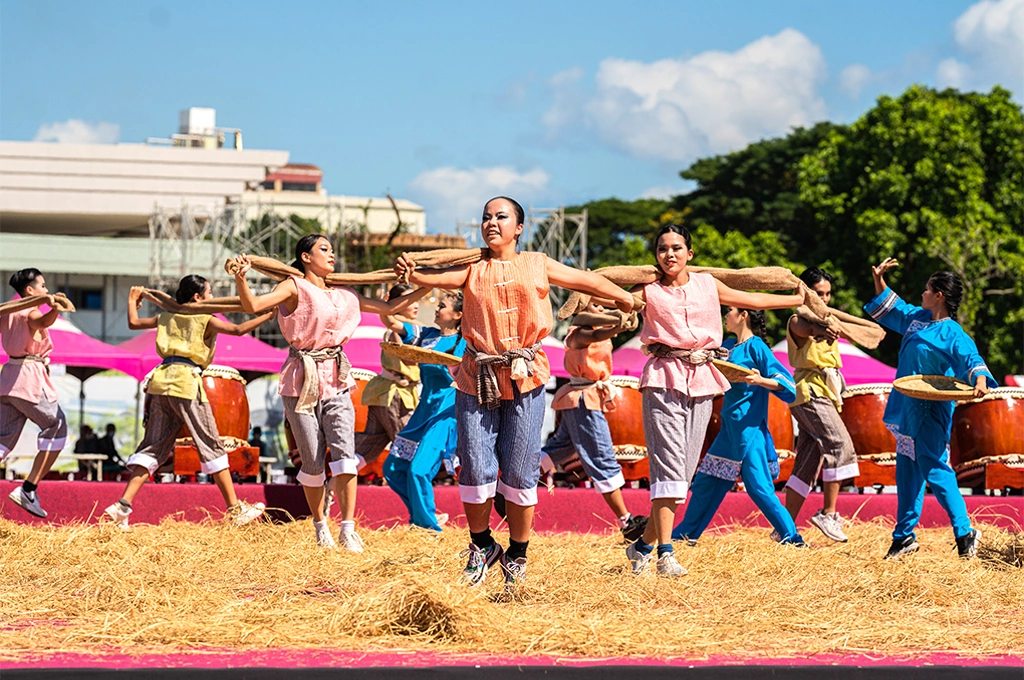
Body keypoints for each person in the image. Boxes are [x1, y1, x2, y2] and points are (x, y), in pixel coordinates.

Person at [395, 196, 634, 591]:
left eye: (501, 217)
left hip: (527, 375)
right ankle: (481, 546)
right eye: (486, 217)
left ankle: (518, 555)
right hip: (477, 374)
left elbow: (587, 280)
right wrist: (413, 273)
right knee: (474, 464)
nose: (491, 222)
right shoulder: (472, 268)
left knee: (522, 471)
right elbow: (436, 279)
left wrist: (624, 298)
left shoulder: (538, 263)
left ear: (519, 227)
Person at [624, 224, 805, 578]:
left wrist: (797, 299)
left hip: (704, 383)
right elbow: (615, 302)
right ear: (656, 256)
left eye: (677, 247)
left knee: (684, 477)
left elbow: (752, 299)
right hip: (663, 378)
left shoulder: (708, 284)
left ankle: (640, 547)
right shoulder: (647, 290)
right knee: (668, 471)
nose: (669, 254)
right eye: (662, 249)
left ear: (690, 253)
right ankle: (665, 553)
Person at [233, 234, 429, 550]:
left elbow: (392, 305)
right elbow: (252, 305)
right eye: (324, 249)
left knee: (345, 457)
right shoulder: (293, 286)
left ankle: (348, 528)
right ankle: (320, 524)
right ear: (305, 257)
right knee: (311, 463)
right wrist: (241, 278)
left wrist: (430, 283)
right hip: (300, 380)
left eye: (332, 249)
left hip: (337, 379)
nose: (332, 254)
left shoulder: (346, 295)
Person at [102, 278, 273, 531]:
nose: (212, 297)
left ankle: (122, 506)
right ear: (197, 297)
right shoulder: (204, 318)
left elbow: (133, 323)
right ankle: (235, 509)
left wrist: (131, 301)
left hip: (161, 382)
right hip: (186, 382)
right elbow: (238, 330)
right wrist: (268, 314)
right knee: (211, 443)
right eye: (209, 293)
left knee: (152, 447)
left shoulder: (166, 317)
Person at [865, 259, 994, 559]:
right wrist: (879, 279)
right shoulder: (916, 318)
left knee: (935, 469)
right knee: (907, 472)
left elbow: (970, 357)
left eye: (926, 290)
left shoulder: (952, 333)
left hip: (932, 409)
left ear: (938, 295)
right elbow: (891, 307)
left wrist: (979, 378)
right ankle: (903, 538)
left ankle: (965, 533)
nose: (921, 294)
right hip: (908, 406)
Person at [672, 307, 804, 546]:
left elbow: (788, 384)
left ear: (744, 315)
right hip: (729, 430)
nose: (725, 314)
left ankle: (793, 539)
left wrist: (760, 380)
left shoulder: (757, 347)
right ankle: (683, 536)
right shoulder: (729, 345)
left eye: (730, 311)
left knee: (759, 489)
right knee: (706, 483)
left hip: (749, 431)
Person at [541, 300, 647, 541]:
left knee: (561, 448)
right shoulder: (578, 334)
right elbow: (600, 332)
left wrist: (621, 322)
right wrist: (620, 323)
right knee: (601, 457)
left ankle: (515, 484)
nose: (601, 309)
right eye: (596, 305)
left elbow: (604, 330)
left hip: (583, 398)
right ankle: (626, 520)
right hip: (583, 399)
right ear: (581, 309)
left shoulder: (592, 331)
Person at [782, 267, 860, 543]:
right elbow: (809, 327)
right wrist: (822, 326)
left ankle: (783, 527)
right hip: (809, 394)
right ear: (803, 293)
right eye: (818, 294)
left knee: (807, 461)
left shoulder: (828, 319)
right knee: (840, 446)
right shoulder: (797, 321)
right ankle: (828, 513)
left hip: (823, 394)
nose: (824, 299)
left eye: (827, 294)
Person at [382, 291, 466, 531]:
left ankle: (428, 528)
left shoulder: (466, 343)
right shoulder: (426, 336)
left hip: (447, 414)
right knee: (393, 468)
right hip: (423, 411)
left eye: (442, 306)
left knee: (419, 470)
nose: (437, 309)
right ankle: (422, 516)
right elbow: (390, 320)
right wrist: (402, 297)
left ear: (458, 315)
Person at [2, 269, 69, 518]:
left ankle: (29, 489)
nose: (46, 290)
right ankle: (28, 489)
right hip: (28, 379)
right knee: (57, 428)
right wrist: (55, 308)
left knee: (2, 439)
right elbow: (39, 322)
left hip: (8, 379)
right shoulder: (29, 311)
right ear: (30, 290)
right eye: (42, 286)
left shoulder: (7, 310)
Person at [356, 283, 422, 472]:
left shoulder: (403, 328)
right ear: (396, 304)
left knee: (366, 449)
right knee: (409, 447)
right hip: (395, 395)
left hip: (384, 394)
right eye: (409, 300)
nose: (415, 305)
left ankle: (334, 483)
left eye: (415, 299)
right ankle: (413, 497)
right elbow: (410, 360)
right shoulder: (399, 330)